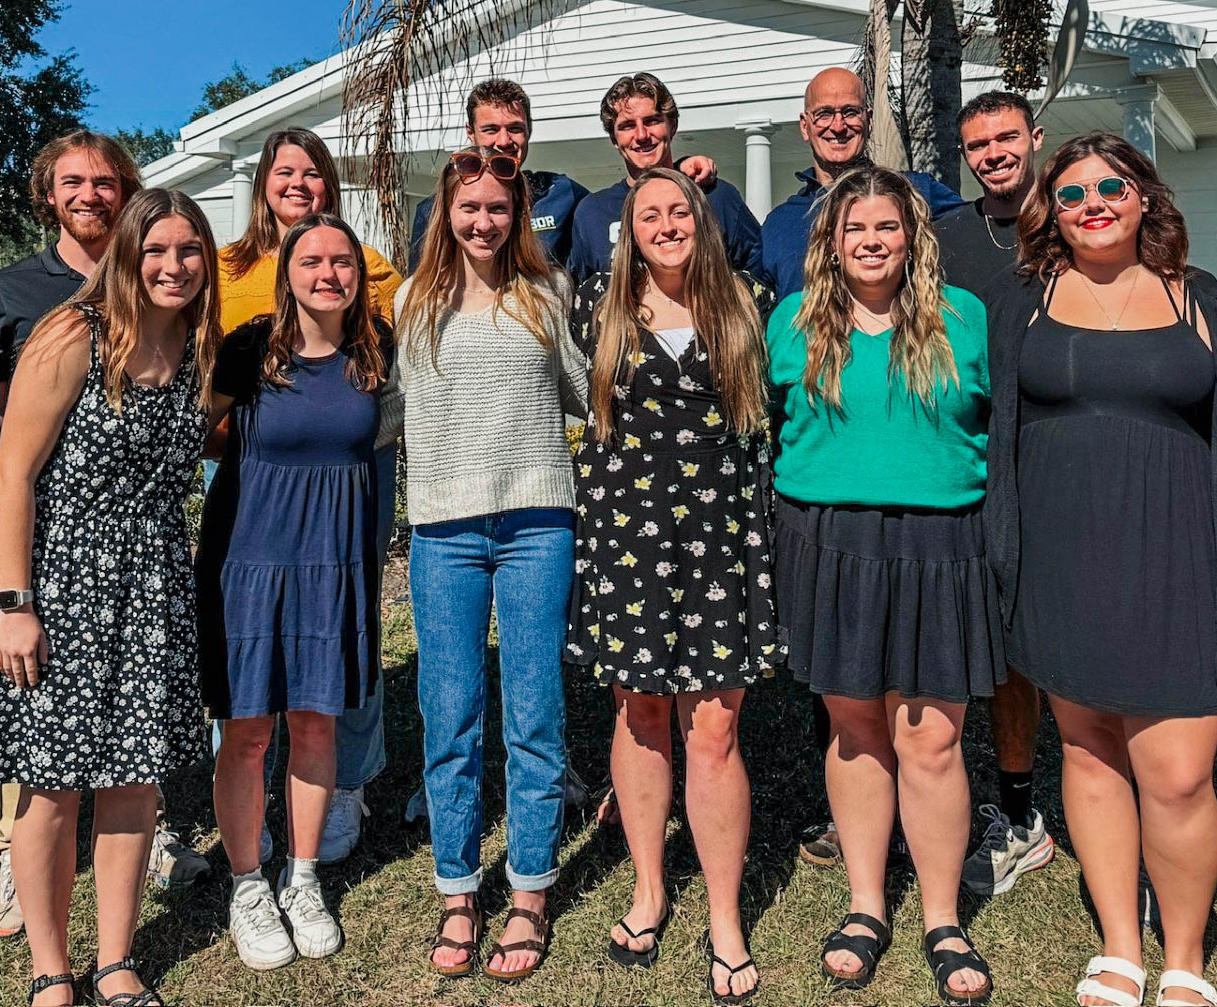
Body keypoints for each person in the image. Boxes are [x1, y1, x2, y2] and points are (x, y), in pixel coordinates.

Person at [986, 134, 1217, 1007]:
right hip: (1062, 556)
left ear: (1146, 197)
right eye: (1072, 195)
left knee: (1179, 771)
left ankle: (1184, 956)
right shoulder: (1026, 301)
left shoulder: (1203, 301)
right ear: (1051, 214)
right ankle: (1120, 944)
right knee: (1092, 751)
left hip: (1176, 551)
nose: (1093, 204)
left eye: (1112, 186)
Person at [0, 189, 223, 1007]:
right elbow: (14, 476)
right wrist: (15, 603)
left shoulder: (198, 347)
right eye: (157, 251)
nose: (174, 266)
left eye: (190, 251)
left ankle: (117, 961)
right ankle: (50, 970)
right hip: (60, 581)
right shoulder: (76, 333)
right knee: (52, 782)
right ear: (127, 257)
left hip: (151, 586)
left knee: (135, 781)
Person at [768, 166, 997, 1003]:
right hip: (827, 542)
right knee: (857, 728)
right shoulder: (791, 323)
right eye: (854, 228)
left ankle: (942, 916)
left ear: (913, 238)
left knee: (931, 737)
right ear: (831, 241)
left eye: (887, 228)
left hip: (942, 542)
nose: (870, 241)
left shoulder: (964, 319)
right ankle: (867, 906)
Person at [567, 168, 777, 1003]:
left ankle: (724, 916)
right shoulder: (595, 308)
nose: (665, 224)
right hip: (627, 536)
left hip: (721, 533)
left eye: (678, 211)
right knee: (640, 711)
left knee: (716, 727)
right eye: (648, 214)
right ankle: (650, 889)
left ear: (702, 221)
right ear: (629, 229)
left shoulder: (748, 301)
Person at [394, 150, 589, 983]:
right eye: (469, 207)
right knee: (450, 715)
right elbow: (382, 407)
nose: (483, 221)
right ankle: (457, 888)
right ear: (446, 212)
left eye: (498, 208)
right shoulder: (410, 301)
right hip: (444, 530)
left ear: (518, 216)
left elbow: (582, 389)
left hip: (539, 523)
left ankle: (532, 890)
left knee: (535, 712)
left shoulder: (548, 294)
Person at [199, 213, 402, 970]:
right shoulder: (250, 347)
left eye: (342, 262)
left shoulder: (375, 352)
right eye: (311, 260)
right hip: (248, 558)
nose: (328, 274)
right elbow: (198, 430)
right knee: (248, 731)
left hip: (333, 561)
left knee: (316, 724)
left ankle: (304, 876)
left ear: (359, 273)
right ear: (287, 270)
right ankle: (248, 882)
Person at [932, 91, 1055, 899]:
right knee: (998, 647)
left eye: (1006, 138)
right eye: (978, 145)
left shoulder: (1080, 216)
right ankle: (1006, 809)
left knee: (1063, 646)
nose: (993, 154)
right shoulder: (945, 238)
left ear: (1034, 139)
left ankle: (1058, 806)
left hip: (1063, 457)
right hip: (971, 464)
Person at [761, 67, 966, 300]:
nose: (838, 126)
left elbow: (986, 229)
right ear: (805, 126)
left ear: (868, 121)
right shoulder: (778, 224)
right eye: (824, 114)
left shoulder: (914, 192)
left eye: (850, 112)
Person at [568, 72, 762, 281]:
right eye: (628, 126)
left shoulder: (717, 197)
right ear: (614, 139)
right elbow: (582, 294)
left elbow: (759, 279)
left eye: (652, 121)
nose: (641, 135)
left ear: (672, 126)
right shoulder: (592, 213)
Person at [410, 78, 590, 267]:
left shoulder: (564, 195)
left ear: (529, 129)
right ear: (471, 132)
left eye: (514, 128)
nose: (504, 140)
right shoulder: (436, 208)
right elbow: (424, 283)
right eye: (491, 129)